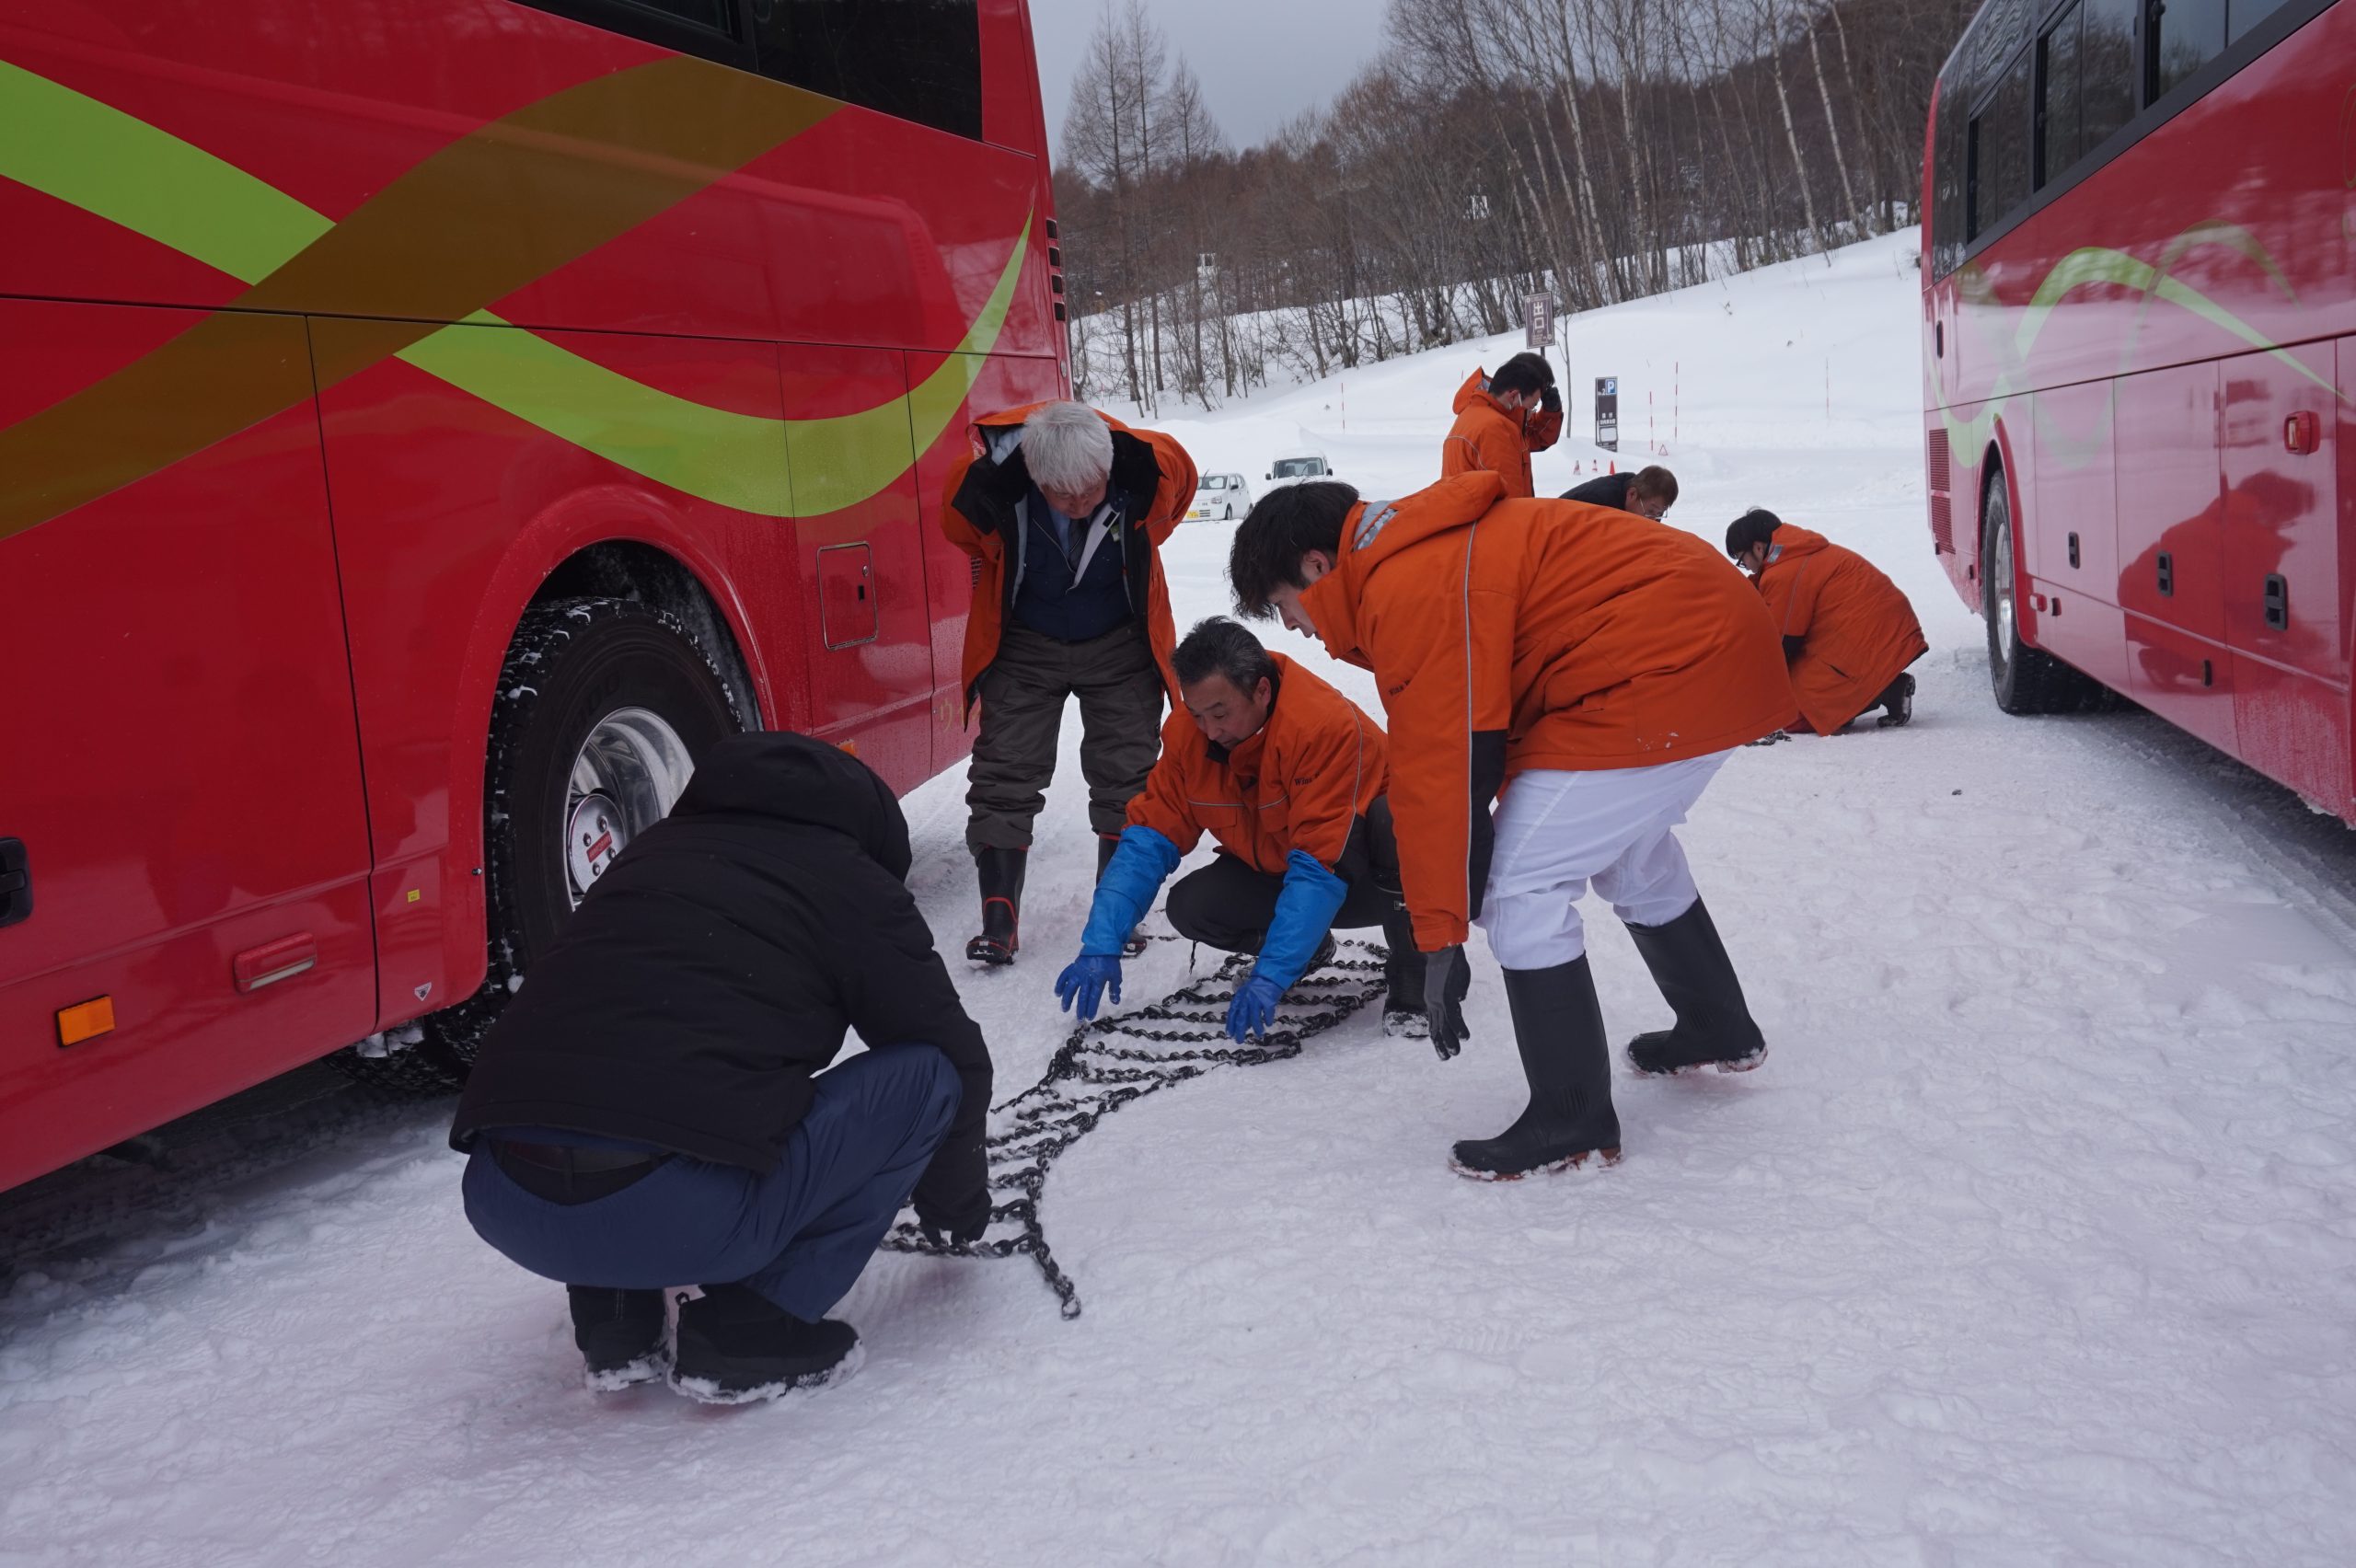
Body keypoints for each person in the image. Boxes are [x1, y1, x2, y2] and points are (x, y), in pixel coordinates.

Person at [1229, 475, 1794, 1180]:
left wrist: (1437, 941)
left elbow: (1446, 770)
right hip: (1709, 650)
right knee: (1631, 853)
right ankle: (1718, 1027)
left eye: (1283, 606)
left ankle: (1572, 1117)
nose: (1291, 628)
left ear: (1316, 567)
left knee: (1521, 883)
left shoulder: (1408, 586)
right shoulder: (1417, 553)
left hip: (1664, 668)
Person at [450, 732, 994, 1404]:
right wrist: (955, 1203)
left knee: (607, 1071)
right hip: (679, 1214)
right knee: (925, 1081)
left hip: (505, 1198)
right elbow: (953, 1056)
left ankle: (615, 1320)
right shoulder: (845, 877)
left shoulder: (644, 856)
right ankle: (751, 1328)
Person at [1055, 617, 1427, 1041]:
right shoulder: (1188, 737)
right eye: (1196, 713)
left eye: (1220, 713)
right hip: (1289, 869)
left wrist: (1270, 975)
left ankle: (1418, 969)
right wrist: (1103, 940)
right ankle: (1309, 948)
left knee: (1391, 818)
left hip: (1376, 880)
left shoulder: (1323, 729)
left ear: (1262, 691)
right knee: (1192, 905)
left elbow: (1320, 866)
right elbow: (1149, 839)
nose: (1210, 731)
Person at [941, 399, 1199, 965]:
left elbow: (1180, 486)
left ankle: (1118, 910)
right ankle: (999, 922)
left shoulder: (1145, 471)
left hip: (1119, 642)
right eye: (1064, 495)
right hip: (1025, 645)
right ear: (1035, 477)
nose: (1081, 503)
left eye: (1091, 489)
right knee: (1004, 771)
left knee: (1128, 773)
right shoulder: (983, 490)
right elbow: (959, 530)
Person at [1726, 508, 1927, 733]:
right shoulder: (1798, 554)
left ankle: (1877, 694)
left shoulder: (1784, 572)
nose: (1746, 568)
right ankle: (1873, 692)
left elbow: (1782, 644)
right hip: (1882, 634)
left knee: (1791, 714)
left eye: (1742, 561)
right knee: (1796, 689)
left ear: (1758, 547)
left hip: (1868, 641)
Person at [1440, 352, 1562, 499]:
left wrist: (1551, 413)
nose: (1529, 413)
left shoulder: (1485, 410)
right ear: (1516, 392)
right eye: (1532, 405)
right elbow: (1508, 501)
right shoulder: (1496, 428)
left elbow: (1536, 438)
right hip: (1489, 519)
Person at [1562, 464, 1678, 520]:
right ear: (1632, 494)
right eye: (1650, 511)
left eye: (1659, 514)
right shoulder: (1599, 505)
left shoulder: (1635, 485)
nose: (1653, 520)